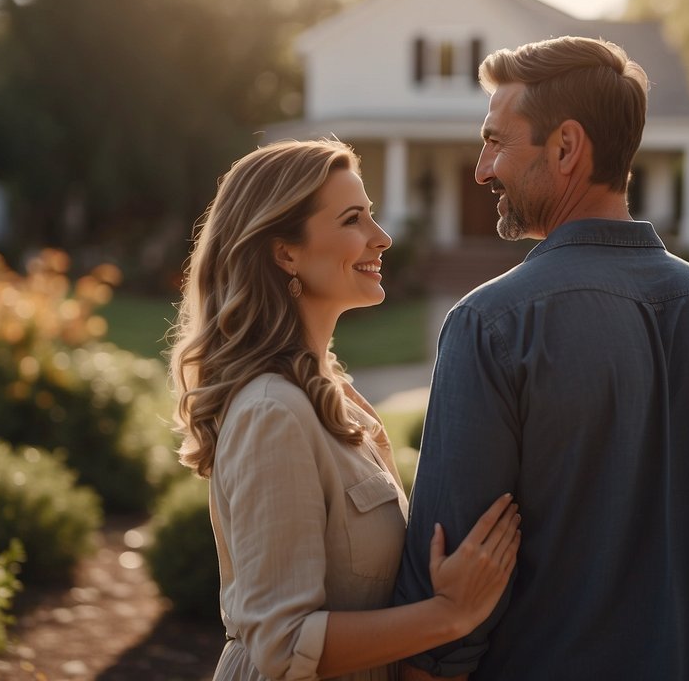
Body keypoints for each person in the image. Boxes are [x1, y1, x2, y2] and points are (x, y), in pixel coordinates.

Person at [393, 37, 689, 679]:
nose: (484, 168)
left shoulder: (489, 326)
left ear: (566, 147)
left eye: (496, 141)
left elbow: (444, 599)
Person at [169, 139, 522, 681]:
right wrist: (448, 616)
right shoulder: (274, 412)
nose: (381, 239)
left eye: (372, 216)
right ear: (285, 251)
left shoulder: (335, 396)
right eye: (354, 219)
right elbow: (284, 648)